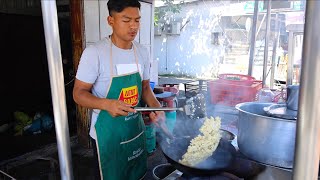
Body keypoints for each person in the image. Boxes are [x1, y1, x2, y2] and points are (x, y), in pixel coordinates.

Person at [72, 0, 164, 179]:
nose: (133, 26)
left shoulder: (142, 52)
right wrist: (107, 104)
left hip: (134, 131)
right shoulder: (95, 53)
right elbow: (78, 93)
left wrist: (156, 106)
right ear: (110, 20)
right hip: (108, 136)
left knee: (137, 175)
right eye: (126, 20)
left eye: (137, 20)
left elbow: (145, 87)